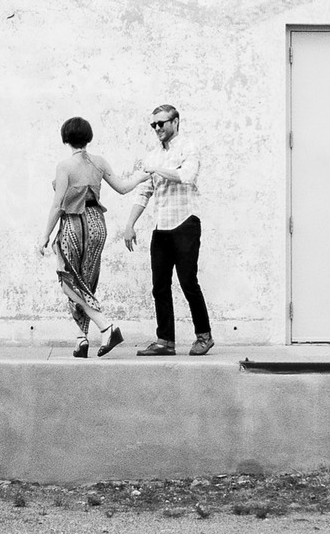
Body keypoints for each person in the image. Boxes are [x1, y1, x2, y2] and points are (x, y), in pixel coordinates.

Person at [40, 116, 149, 357]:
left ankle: (106, 327)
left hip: (73, 224)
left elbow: (58, 204)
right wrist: (141, 176)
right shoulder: (99, 162)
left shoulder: (64, 166)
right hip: (97, 224)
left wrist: (45, 236)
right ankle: (81, 339)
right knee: (86, 281)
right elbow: (122, 188)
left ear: (66, 138)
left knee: (70, 281)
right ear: (88, 137)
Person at [117, 103, 213, 356]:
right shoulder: (152, 155)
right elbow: (143, 191)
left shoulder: (188, 146)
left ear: (175, 122)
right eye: (153, 125)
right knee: (159, 286)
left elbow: (187, 176)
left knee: (188, 282)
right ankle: (165, 341)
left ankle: (204, 336)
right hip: (162, 227)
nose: (157, 128)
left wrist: (154, 170)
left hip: (185, 222)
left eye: (161, 123)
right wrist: (129, 224)